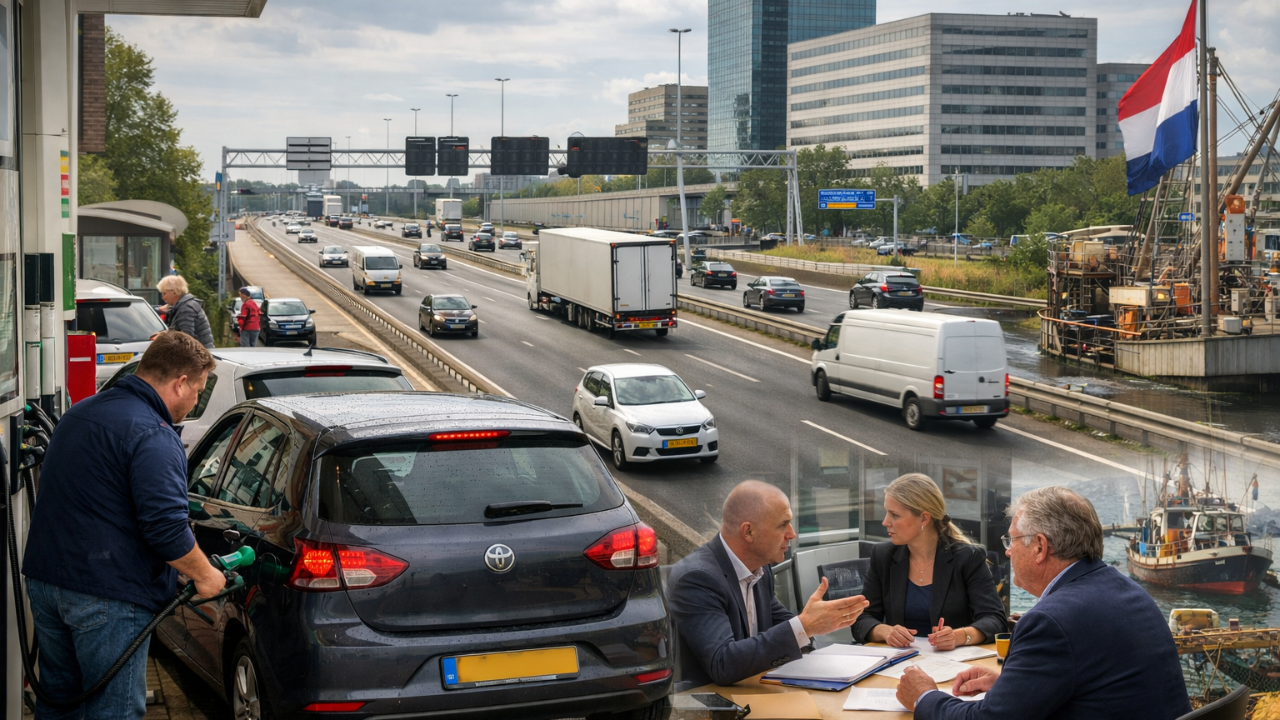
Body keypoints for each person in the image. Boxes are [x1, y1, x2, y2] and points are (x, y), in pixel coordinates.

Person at [23, 331, 227, 719]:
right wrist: (205, 575)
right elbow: (165, 528)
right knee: (113, 709)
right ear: (179, 383)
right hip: (106, 597)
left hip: (46, 583)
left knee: (59, 701)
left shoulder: (80, 413)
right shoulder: (153, 433)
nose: (196, 400)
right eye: (198, 390)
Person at [896, 486, 1191, 720]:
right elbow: (1098, 686)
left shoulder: (1051, 621)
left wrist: (924, 696)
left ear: (1039, 547)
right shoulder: (1127, 590)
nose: (1008, 552)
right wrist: (1009, 686)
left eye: (1011, 540)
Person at [668, 480, 870, 688]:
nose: (792, 534)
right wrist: (806, 625)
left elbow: (785, 624)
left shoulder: (760, 570)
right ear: (748, 532)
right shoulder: (698, 579)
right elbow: (723, 663)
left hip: (752, 692)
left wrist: (819, 621)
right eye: (782, 525)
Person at [851, 474, 1006, 650]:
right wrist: (885, 631)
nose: (885, 522)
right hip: (898, 663)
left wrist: (959, 636)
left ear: (924, 518)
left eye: (894, 515)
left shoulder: (967, 558)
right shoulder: (883, 556)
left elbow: (995, 620)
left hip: (953, 666)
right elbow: (861, 620)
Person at [157, 275, 214, 349]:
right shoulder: (185, 305)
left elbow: (186, 337)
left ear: (174, 292)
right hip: (200, 353)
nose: (163, 297)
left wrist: (164, 336)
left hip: (198, 355)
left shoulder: (186, 308)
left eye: (164, 293)